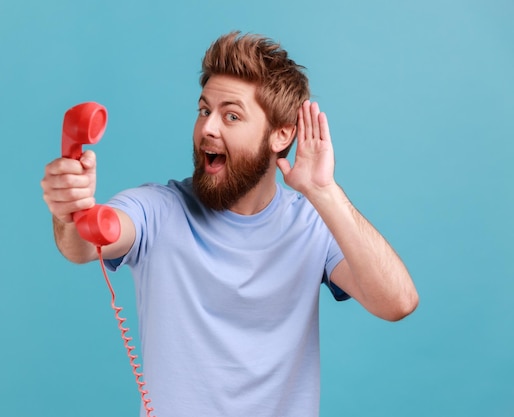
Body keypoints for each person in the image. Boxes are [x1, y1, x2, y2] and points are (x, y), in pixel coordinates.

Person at [41, 31, 419, 417]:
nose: (208, 128)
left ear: (281, 135)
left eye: (231, 115)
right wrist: (67, 208)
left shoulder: (312, 226)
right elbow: (81, 245)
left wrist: (323, 190)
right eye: (204, 110)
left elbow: (398, 302)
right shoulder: (158, 208)